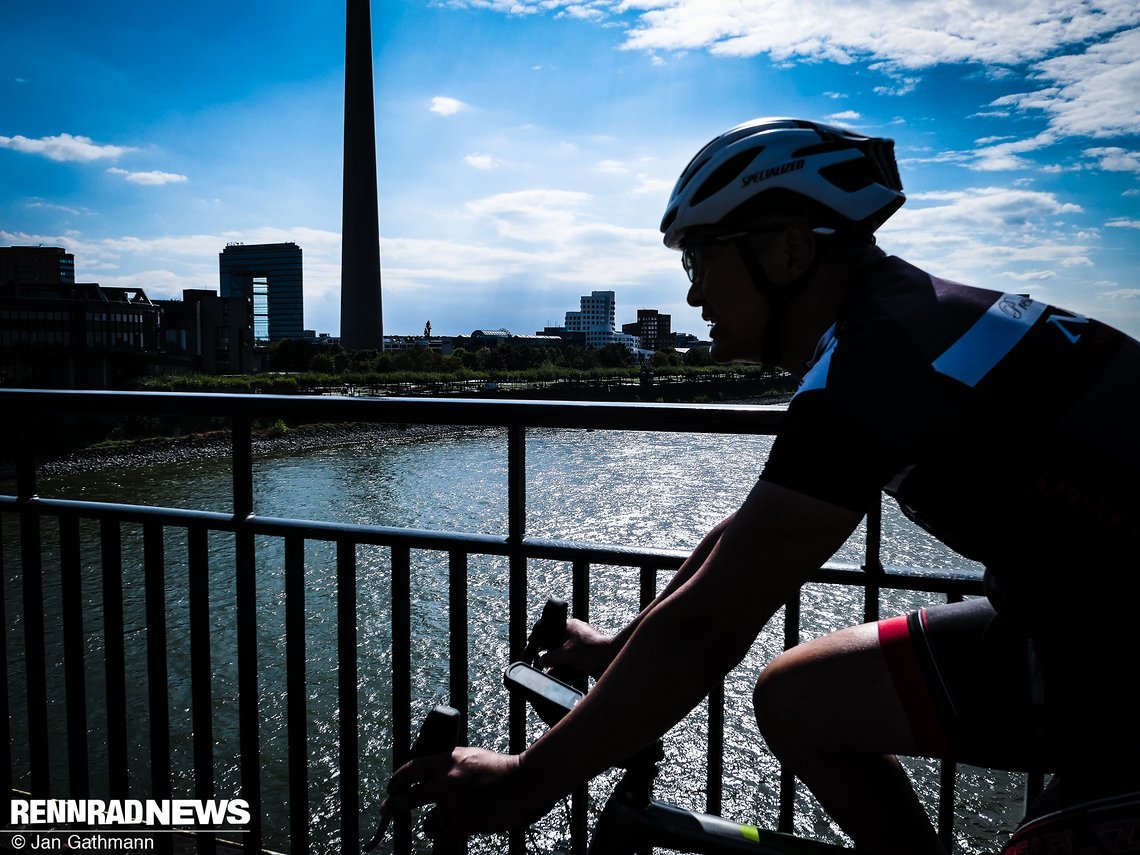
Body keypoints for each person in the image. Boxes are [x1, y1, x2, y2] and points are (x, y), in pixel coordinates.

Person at [383, 118, 1140, 852]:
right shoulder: (894, 330)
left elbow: (712, 624)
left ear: (786, 252)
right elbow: (745, 539)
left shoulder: (879, 364)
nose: (693, 295)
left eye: (700, 260)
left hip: (1109, 647)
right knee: (800, 699)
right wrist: (619, 646)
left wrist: (523, 780)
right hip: (1077, 628)